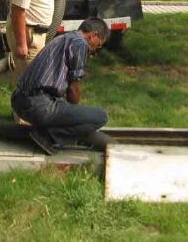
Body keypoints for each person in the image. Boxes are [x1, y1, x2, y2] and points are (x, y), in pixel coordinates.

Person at [11, 17, 113, 153]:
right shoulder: (80, 43)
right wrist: (75, 117)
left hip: (20, 100)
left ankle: (47, 132)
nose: (95, 50)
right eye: (99, 44)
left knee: (67, 111)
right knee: (101, 116)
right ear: (93, 35)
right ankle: (48, 137)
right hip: (38, 106)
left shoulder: (64, 39)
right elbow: (73, 89)